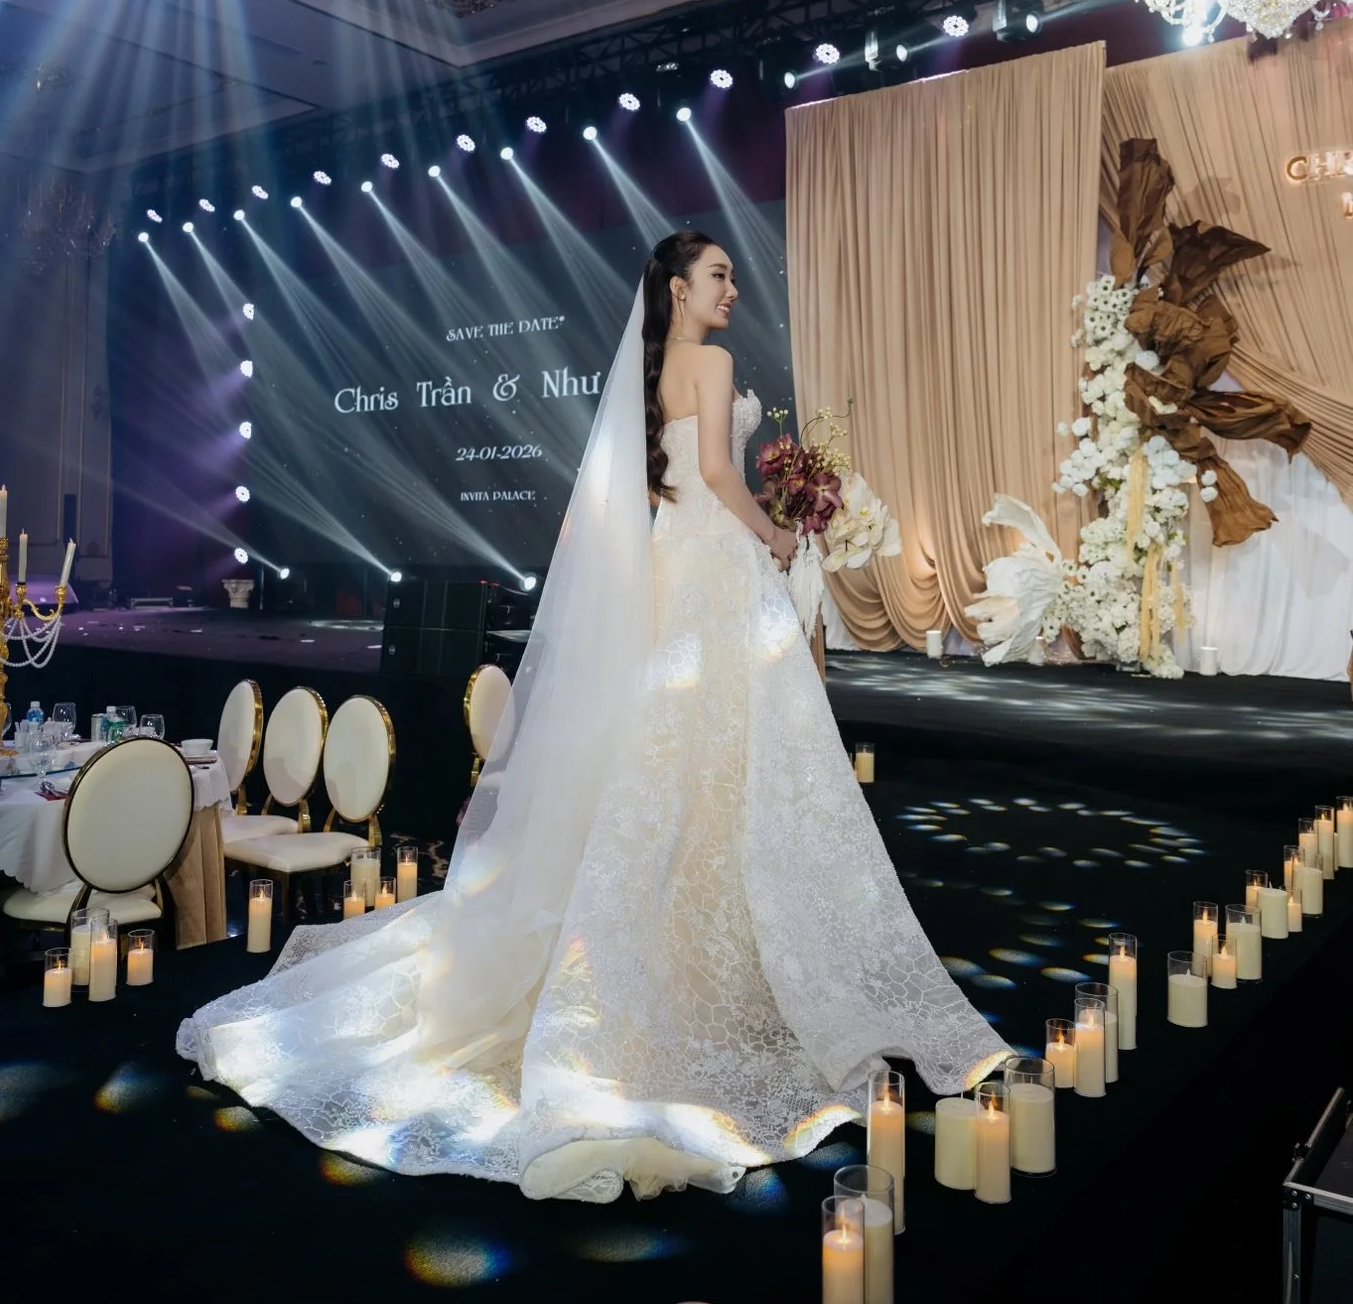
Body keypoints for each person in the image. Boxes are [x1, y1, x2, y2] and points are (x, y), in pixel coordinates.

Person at [177, 231, 1007, 1202]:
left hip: (672, 563)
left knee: (675, 759)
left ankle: (692, 937)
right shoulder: (712, 360)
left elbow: (676, 478)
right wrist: (780, 531)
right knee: (734, 759)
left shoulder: (652, 368)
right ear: (676, 286)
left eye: (732, 275)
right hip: (716, 569)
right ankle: (718, 956)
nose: (733, 288)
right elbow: (720, 473)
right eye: (718, 275)